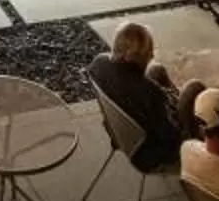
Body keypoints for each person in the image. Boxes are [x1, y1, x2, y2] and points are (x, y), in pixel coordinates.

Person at [87, 21, 203, 172]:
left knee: (156, 69)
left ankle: (176, 103)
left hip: (121, 133)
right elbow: (171, 139)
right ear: (136, 57)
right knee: (194, 87)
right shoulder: (149, 92)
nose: (152, 55)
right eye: (149, 53)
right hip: (150, 155)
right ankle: (207, 142)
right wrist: (178, 115)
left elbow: (136, 89)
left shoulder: (99, 62)